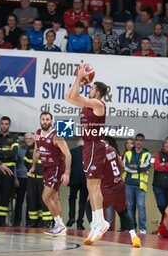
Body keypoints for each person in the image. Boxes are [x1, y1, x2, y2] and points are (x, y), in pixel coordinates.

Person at [65, 66, 109, 244]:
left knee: (94, 185)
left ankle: (100, 220)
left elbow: (75, 96)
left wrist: (79, 79)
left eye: (91, 87)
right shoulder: (87, 104)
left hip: (95, 146)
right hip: (88, 147)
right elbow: (68, 96)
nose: (89, 89)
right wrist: (79, 81)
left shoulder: (98, 104)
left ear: (97, 92)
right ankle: (97, 222)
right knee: (90, 185)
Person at [30, 112, 71, 236]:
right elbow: (36, 150)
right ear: (40, 120)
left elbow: (68, 154)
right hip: (46, 168)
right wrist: (33, 166)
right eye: (43, 119)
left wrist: (67, 173)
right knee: (54, 198)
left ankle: (59, 225)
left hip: (57, 168)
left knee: (45, 197)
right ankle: (60, 226)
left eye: (47, 119)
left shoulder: (56, 136)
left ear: (51, 121)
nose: (45, 121)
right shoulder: (37, 133)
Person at [101, 136, 141, 247]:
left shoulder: (100, 155)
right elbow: (122, 167)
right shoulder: (114, 152)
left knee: (92, 206)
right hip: (119, 184)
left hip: (108, 187)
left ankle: (102, 225)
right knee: (122, 211)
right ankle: (133, 235)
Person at [123, 133, 151, 234]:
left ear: (143, 142)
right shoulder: (128, 154)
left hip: (140, 184)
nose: (138, 142)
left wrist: (134, 167)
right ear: (135, 141)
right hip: (129, 183)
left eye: (140, 140)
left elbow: (146, 166)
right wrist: (138, 168)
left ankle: (142, 229)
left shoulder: (146, 154)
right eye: (137, 140)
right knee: (129, 207)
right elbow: (125, 167)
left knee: (141, 206)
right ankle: (132, 228)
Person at [24, 133, 52, 228]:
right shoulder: (30, 150)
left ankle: (46, 222)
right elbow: (26, 162)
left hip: (44, 179)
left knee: (44, 200)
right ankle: (33, 221)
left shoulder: (47, 148)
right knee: (32, 199)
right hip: (32, 178)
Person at [67, 138, 88, 230]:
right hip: (85, 179)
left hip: (74, 178)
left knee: (72, 198)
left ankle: (71, 217)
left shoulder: (72, 151)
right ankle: (80, 222)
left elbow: (69, 164)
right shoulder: (89, 152)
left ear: (77, 143)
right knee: (82, 201)